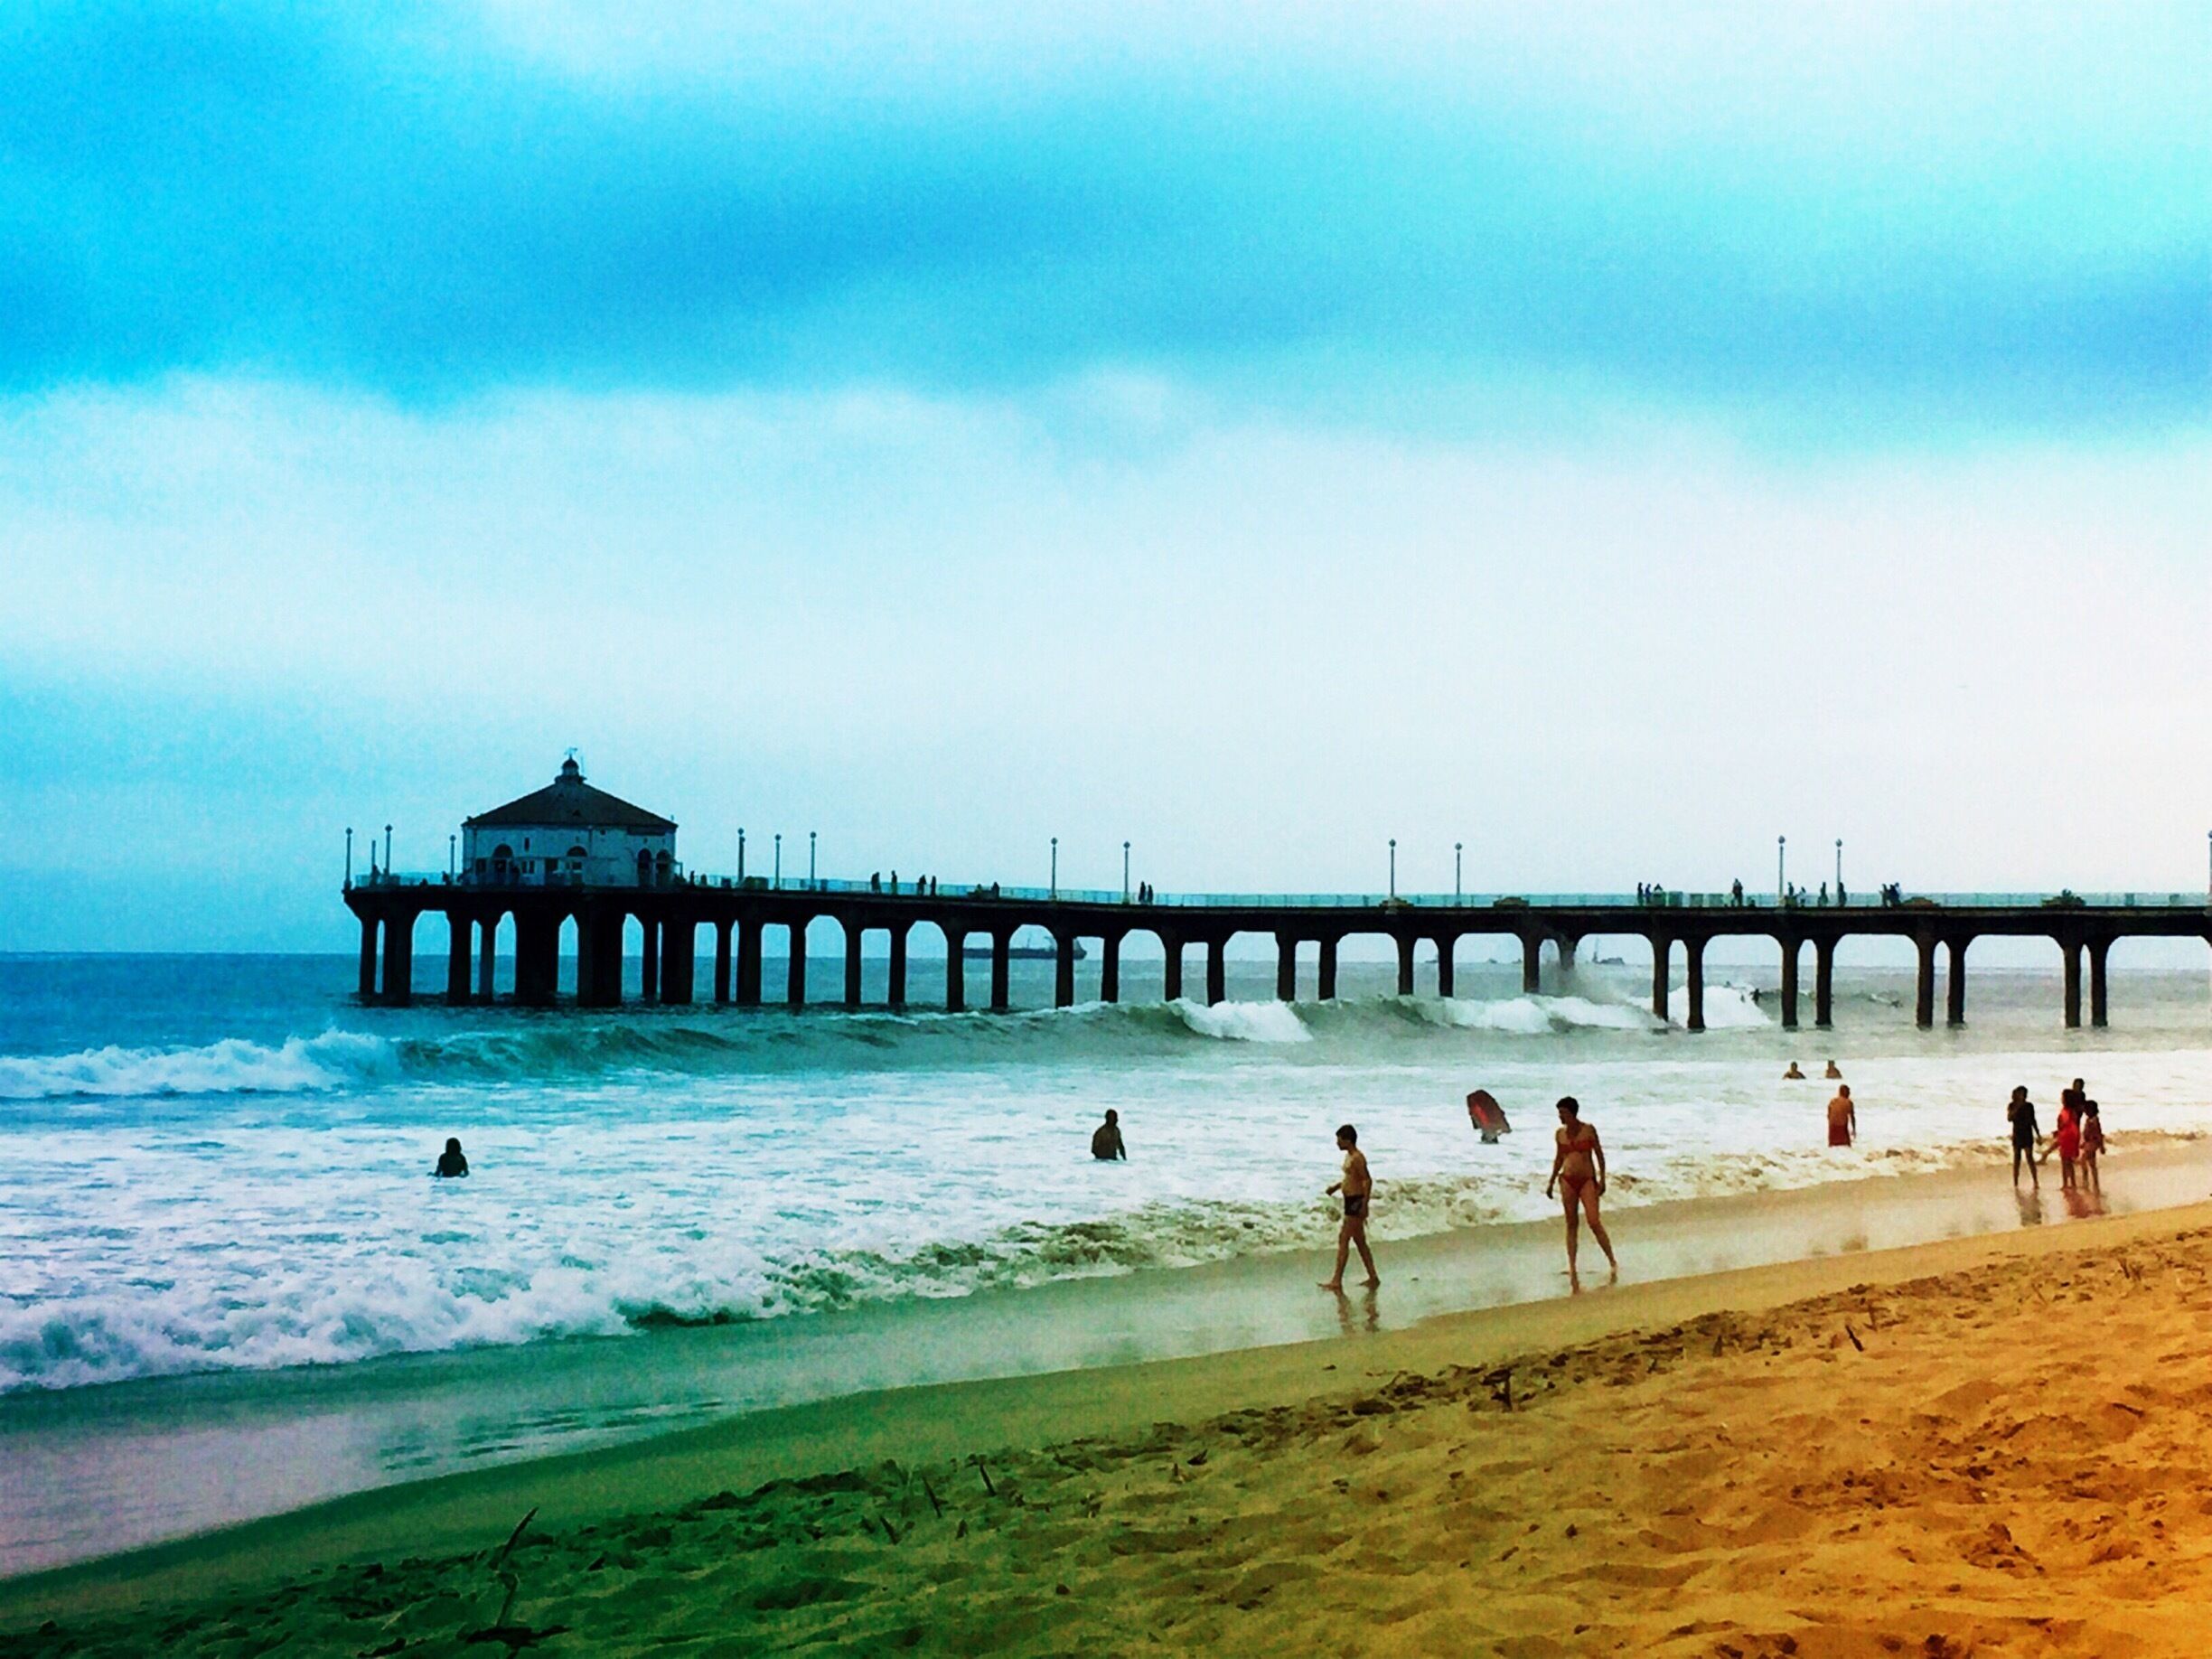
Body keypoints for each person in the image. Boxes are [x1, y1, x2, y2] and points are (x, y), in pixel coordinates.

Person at [1544, 1096, 1617, 1290]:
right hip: (1567, 1180)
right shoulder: (1560, 1134)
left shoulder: (1588, 1130)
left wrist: (1602, 1179)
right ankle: (1573, 1267)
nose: (1560, 1116)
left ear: (1572, 1113)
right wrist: (1551, 1182)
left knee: (1593, 1221)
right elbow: (1559, 1158)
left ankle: (1612, 1260)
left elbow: (1599, 1155)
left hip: (1586, 1180)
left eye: (1564, 1113)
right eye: (1559, 1113)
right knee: (1571, 1223)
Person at [1320, 1124, 1379, 1290]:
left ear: (1347, 1140)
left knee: (1344, 1239)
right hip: (1350, 1200)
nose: (1337, 1143)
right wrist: (1336, 1187)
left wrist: (1364, 1204)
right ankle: (1373, 1276)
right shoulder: (1349, 1156)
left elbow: (1366, 1180)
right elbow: (1350, 1178)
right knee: (1360, 1242)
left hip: (1356, 1202)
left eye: (1339, 1139)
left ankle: (1337, 1280)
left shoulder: (1358, 1158)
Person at [2007, 1086, 2042, 1189]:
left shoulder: (2029, 1106)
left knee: (2029, 1157)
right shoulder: (2012, 1105)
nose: (2024, 1096)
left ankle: (2035, 1181)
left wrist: (2038, 1134)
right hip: (2017, 1134)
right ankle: (2015, 1183)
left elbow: (2033, 1120)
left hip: (2027, 1133)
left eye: (2025, 1094)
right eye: (2021, 1094)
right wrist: (2018, 1107)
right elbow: (2009, 1118)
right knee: (2017, 1159)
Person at [2052, 1090, 2082, 1190]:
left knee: (2064, 1161)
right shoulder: (2073, 1111)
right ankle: (2073, 1183)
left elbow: (2062, 1124)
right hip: (2073, 1134)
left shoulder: (2064, 1111)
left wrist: (2058, 1131)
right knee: (2069, 1161)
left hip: (2066, 1136)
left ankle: (2065, 1183)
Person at [2079, 1100, 2105, 1194]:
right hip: (2090, 1143)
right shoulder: (2090, 1119)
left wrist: (2101, 1145)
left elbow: (2099, 1134)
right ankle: (2094, 1181)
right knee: (2092, 1163)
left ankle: (2085, 1180)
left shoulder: (2094, 1121)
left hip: (2092, 1143)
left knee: (2083, 1161)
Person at [1826, 1083, 1856, 1148]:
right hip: (1842, 1127)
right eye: (1848, 1092)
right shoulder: (1849, 1102)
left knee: (1832, 1147)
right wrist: (1854, 1129)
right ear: (1845, 1092)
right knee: (1847, 1146)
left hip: (1832, 1127)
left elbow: (1828, 1116)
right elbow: (1852, 1117)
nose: (1849, 1094)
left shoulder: (1833, 1101)